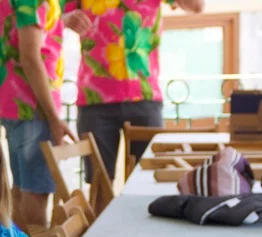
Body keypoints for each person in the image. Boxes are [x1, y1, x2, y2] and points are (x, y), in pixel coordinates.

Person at [63, 0, 204, 181]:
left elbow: (197, 6)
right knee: (100, 184)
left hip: (144, 96)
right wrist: (67, 19)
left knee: (148, 179)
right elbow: (52, 17)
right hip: (94, 99)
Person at [0, 0, 75, 232]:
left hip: (12, 100)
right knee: (35, 191)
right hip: (31, 104)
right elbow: (30, 58)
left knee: (22, 188)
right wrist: (54, 119)